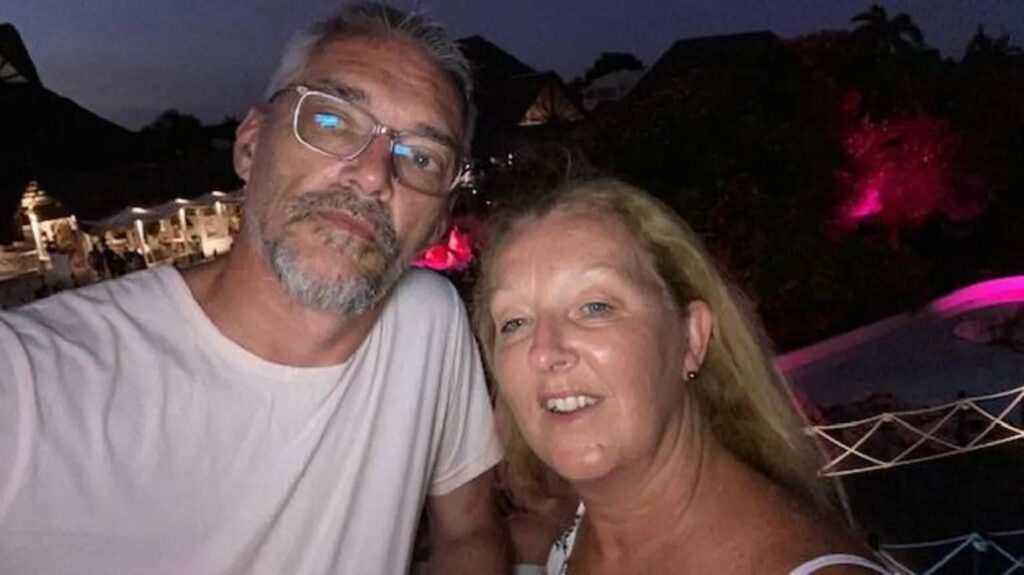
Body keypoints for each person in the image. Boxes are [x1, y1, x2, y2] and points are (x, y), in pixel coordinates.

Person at [0, 4, 509, 574]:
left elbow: (469, 534)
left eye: (421, 157)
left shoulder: (427, 322)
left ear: (440, 220)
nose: (372, 175)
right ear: (249, 144)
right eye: (332, 120)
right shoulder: (32, 381)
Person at [472, 179, 890, 574]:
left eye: (596, 307)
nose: (544, 352)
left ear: (691, 338)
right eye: (515, 322)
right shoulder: (581, 530)